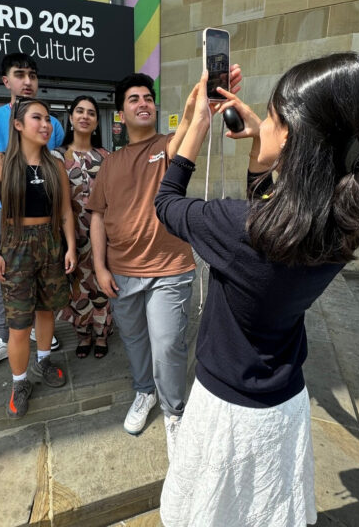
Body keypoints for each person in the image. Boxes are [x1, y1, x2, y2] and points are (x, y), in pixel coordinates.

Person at [154, 52, 359, 526]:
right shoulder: (345, 225)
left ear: (295, 140)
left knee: (208, 510)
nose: (264, 123)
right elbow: (272, 220)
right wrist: (265, 148)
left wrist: (198, 121)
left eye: (274, 118)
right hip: (284, 406)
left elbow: (166, 203)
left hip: (226, 410)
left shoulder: (237, 229)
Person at [87, 68, 241, 455]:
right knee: (135, 341)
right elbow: (97, 218)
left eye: (148, 98)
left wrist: (196, 103)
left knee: (169, 343)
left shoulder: (167, 146)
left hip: (169, 268)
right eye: (134, 99)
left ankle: (174, 410)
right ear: (121, 113)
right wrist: (101, 268)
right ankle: (144, 393)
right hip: (122, 271)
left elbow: (190, 130)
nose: (143, 103)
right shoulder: (109, 163)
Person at [0, 97, 77, 418]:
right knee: (19, 323)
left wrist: (71, 248)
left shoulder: (55, 165)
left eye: (48, 118)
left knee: (47, 311)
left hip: (50, 244)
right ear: (18, 125)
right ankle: (19, 382)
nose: (46, 124)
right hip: (15, 246)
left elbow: (65, 212)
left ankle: (45, 361)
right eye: (37, 118)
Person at [0, 53, 64, 370]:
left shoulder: (53, 124)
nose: (27, 81)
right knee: (12, 306)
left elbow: (51, 162)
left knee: (45, 304)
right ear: (6, 80)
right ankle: (7, 344)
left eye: (33, 76)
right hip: (12, 226)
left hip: (47, 231)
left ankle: (43, 350)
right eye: (20, 74)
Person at [52, 95, 112, 359]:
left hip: (102, 236)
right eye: (80, 111)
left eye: (91, 113)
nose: (85, 116)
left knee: (101, 284)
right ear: (71, 117)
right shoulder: (57, 157)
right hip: (70, 236)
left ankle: (102, 334)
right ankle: (83, 334)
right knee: (77, 287)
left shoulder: (107, 157)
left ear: (97, 121)